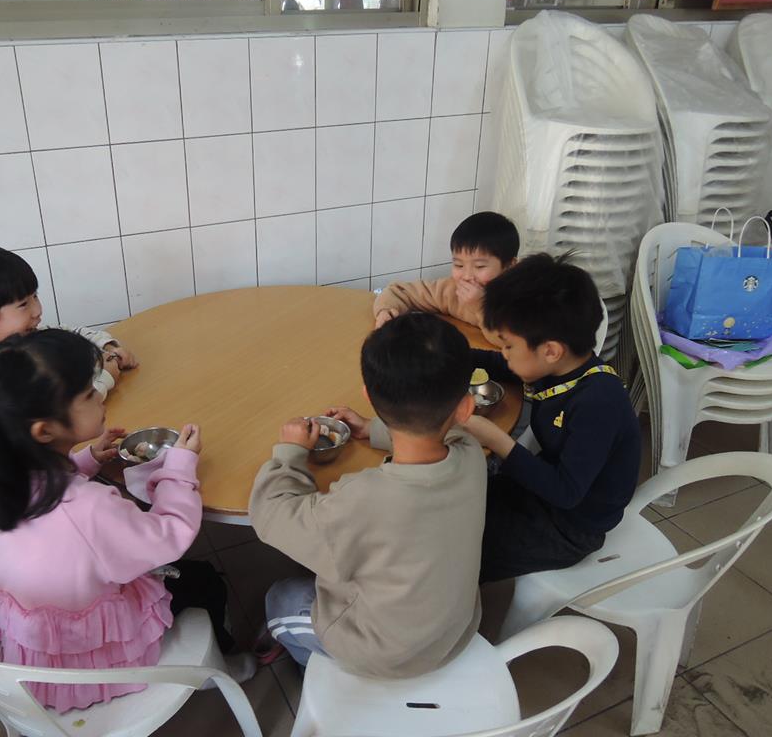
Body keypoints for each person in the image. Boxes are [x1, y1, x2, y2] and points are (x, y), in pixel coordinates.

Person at [0, 329, 253, 713]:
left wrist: (86, 461)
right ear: (44, 430)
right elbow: (170, 535)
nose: (100, 396)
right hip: (98, 665)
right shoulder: (90, 509)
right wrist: (180, 467)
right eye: (87, 394)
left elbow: (51, 508)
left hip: (42, 658)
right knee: (203, 580)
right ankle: (218, 667)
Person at [249, 313, 488, 677]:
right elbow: (450, 434)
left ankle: (316, 670)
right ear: (465, 407)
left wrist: (290, 452)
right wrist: (373, 429)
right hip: (453, 631)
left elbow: (270, 514)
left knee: (279, 597)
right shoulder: (471, 456)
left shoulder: (363, 498)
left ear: (368, 396)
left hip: (386, 655)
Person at [462, 254, 641, 582]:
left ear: (550, 350)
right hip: (538, 490)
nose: (503, 354)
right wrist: (452, 353)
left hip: (571, 526)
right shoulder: (558, 365)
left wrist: (496, 439)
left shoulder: (599, 402)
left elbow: (565, 492)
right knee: (457, 504)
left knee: (459, 550)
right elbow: (503, 365)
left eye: (508, 346)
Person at [0, 244, 136, 480]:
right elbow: (58, 412)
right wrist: (106, 378)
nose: (37, 311)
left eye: (35, 296)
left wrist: (108, 346)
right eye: (23, 304)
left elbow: (66, 333)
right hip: (0, 481)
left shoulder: (0, 336)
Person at [373, 211, 519, 329]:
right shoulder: (452, 290)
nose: (467, 276)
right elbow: (400, 292)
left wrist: (480, 307)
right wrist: (385, 311)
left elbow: (511, 341)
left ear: (510, 266)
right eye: (459, 265)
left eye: (479, 266)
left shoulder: (519, 299)